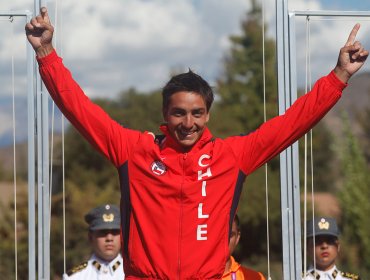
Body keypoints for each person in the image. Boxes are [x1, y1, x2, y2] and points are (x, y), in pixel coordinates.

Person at [25, 7, 368, 279]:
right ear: (164, 113)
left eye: (197, 113)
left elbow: (292, 123)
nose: (188, 123)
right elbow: (80, 110)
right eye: (178, 113)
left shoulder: (231, 157)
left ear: (208, 114)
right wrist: (46, 53)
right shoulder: (134, 151)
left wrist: (338, 76)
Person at [63, 204, 125, 280]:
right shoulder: (74, 277)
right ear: (90, 237)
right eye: (103, 232)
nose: (109, 238)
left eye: (115, 232)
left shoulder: (134, 274)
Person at [222, 214, 266, 280]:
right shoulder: (200, 274)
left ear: (237, 238)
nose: (225, 240)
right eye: (220, 234)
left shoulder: (255, 278)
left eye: (230, 235)